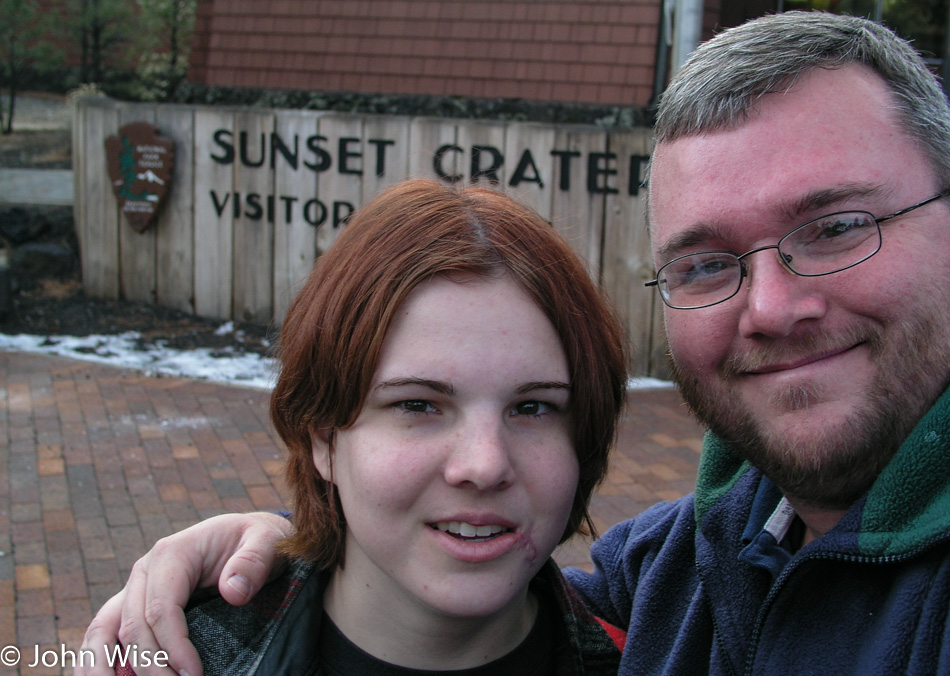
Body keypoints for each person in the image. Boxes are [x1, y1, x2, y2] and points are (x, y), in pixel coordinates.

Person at [82, 10, 950, 675]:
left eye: (837, 227)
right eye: (706, 262)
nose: (770, 306)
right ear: (322, 433)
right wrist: (289, 555)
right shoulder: (662, 587)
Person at [88, 178, 629, 675]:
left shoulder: (648, 657)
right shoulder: (167, 660)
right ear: (323, 436)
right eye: (417, 405)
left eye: (533, 408)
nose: (485, 465)